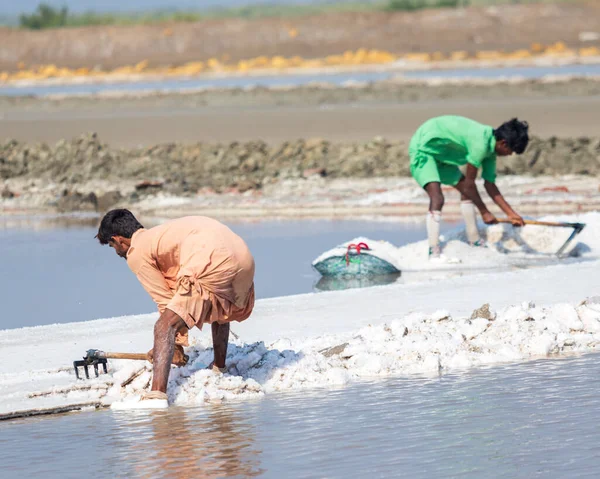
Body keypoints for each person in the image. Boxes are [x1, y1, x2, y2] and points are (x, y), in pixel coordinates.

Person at [97, 209, 255, 408]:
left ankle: (156, 395)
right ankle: (219, 368)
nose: (116, 252)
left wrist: (175, 346)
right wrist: (176, 344)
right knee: (217, 306)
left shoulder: (137, 252)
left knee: (163, 326)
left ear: (119, 240)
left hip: (212, 259)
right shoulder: (160, 236)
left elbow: (165, 302)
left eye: (112, 246)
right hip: (244, 259)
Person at [408, 115, 529, 260]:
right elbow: (470, 185)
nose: (510, 155)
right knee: (438, 198)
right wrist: (485, 212)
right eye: (511, 151)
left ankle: (475, 241)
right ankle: (433, 250)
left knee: (466, 191)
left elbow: (489, 185)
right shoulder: (480, 144)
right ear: (503, 143)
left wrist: (511, 214)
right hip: (424, 150)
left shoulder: (490, 150)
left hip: (442, 155)